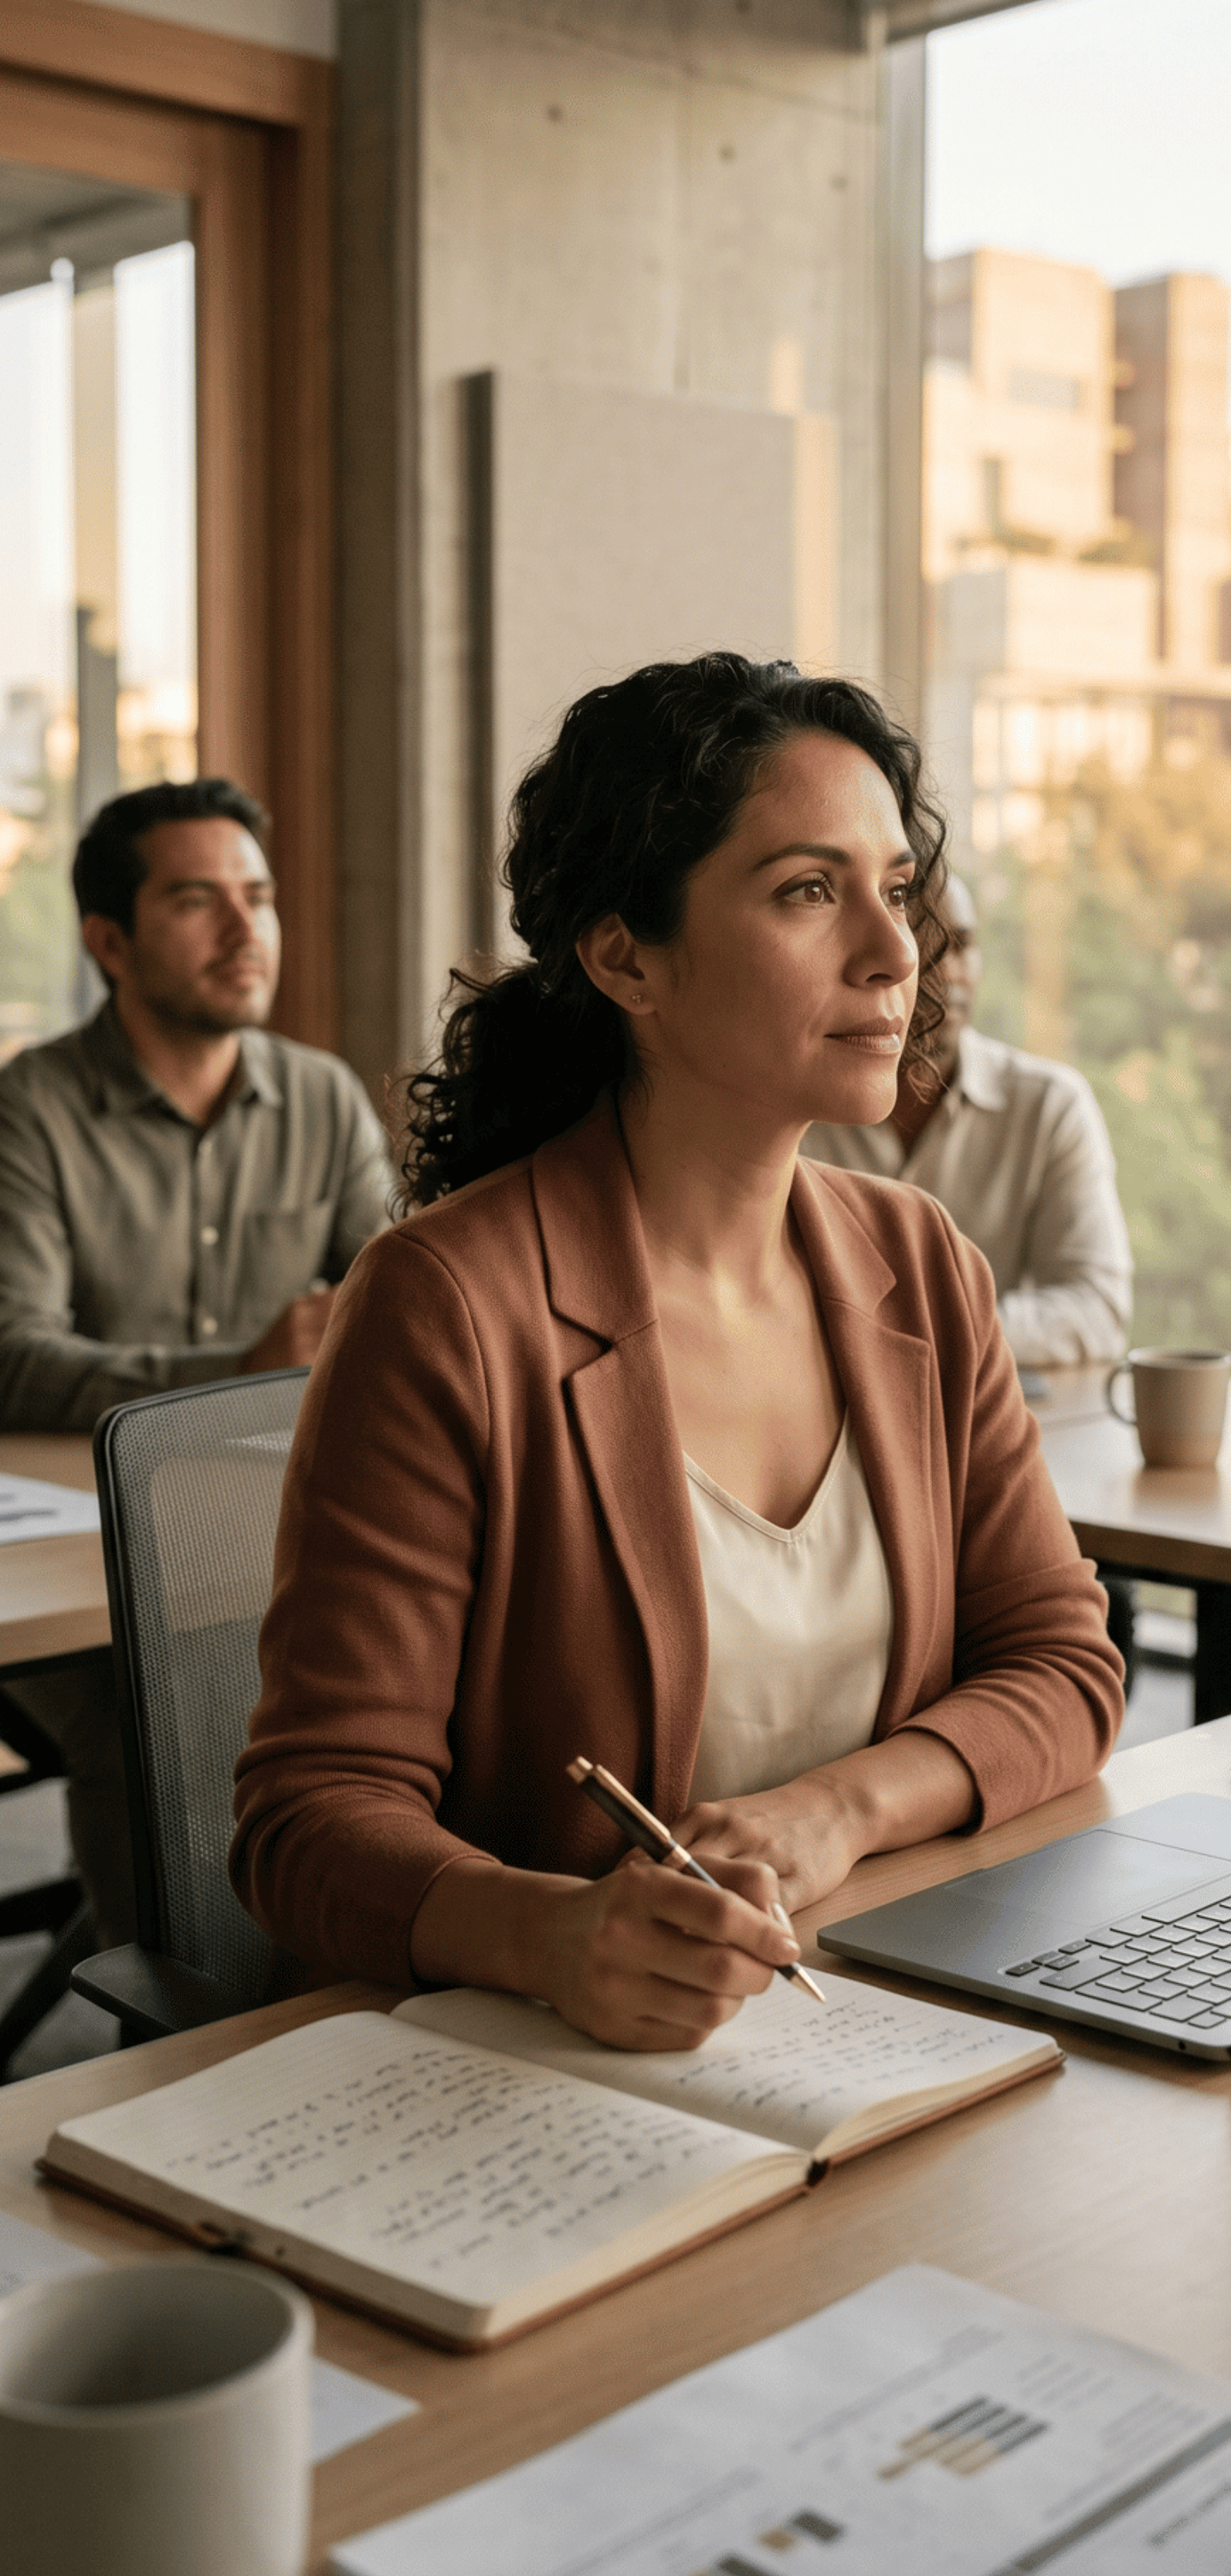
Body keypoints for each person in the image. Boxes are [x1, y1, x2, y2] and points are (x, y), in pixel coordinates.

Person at [231, 658, 1123, 2052]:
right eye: (807, 892)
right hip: (546, 2069)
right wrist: (555, 1935)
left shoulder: (921, 1264)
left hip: (872, 2017)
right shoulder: (444, 1305)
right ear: (624, 955)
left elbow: (1063, 1663)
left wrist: (837, 1810)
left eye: (894, 889)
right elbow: (310, 1818)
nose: (897, 953)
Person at [0, 776, 393, 1942]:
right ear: (108, 940)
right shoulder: (33, 1108)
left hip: (265, 1527)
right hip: (78, 1556)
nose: (245, 929)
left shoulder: (322, 1099)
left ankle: (348, 1985)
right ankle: (169, 2024)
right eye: (197, 900)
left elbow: (392, 1314)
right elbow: (11, 1355)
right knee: (159, 1705)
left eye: (259, 897)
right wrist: (240, 1363)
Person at [804, 873, 1132, 1369]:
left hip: (981, 1412)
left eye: (962, 945)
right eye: (920, 942)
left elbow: (1097, 1308)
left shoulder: (1049, 1107)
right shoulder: (797, 1107)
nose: (948, 973)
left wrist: (930, 1335)